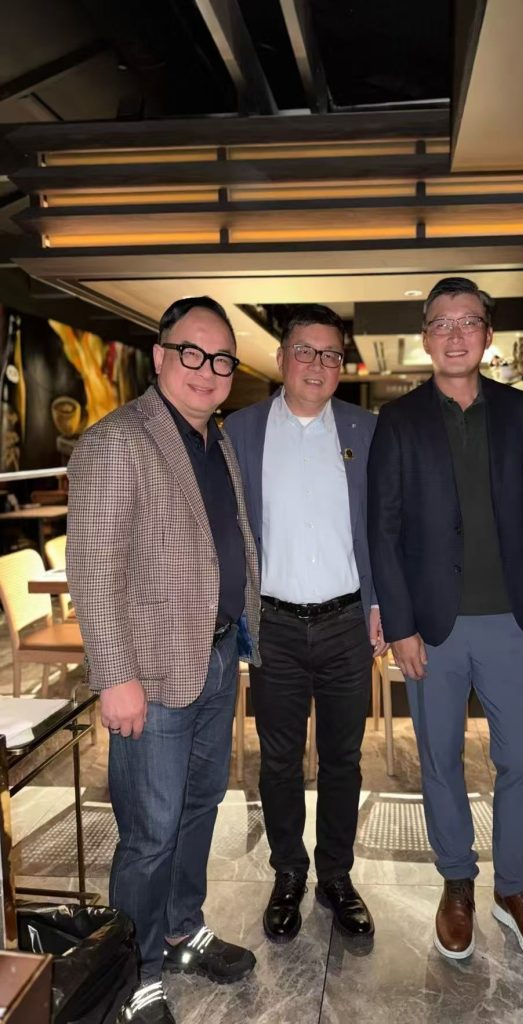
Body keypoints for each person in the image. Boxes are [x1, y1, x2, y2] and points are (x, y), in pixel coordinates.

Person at [67, 297, 261, 1024]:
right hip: (148, 672)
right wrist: (114, 675)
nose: (207, 370)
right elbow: (93, 567)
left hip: (215, 655)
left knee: (199, 807)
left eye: (221, 359)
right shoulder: (118, 441)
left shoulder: (215, 440)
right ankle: (133, 971)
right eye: (192, 353)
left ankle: (180, 929)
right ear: (159, 355)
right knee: (149, 831)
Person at [367, 277, 523, 967]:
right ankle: (457, 882)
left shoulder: (521, 412)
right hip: (433, 626)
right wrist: (399, 625)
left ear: (487, 334)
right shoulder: (398, 419)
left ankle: (517, 889)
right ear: (426, 337)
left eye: (469, 322)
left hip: (514, 619)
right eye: (442, 323)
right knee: (440, 759)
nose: (456, 335)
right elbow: (382, 529)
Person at [225, 304, 385, 944]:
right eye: (305, 351)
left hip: (347, 622)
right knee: (280, 760)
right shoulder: (240, 430)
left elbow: (383, 527)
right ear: (281, 357)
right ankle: (288, 872)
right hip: (276, 626)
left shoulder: (366, 430)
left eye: (330, 354)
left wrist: (380, 605)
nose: (318, 364)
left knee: (344, 759)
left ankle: (336, 877)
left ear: (341, 365)